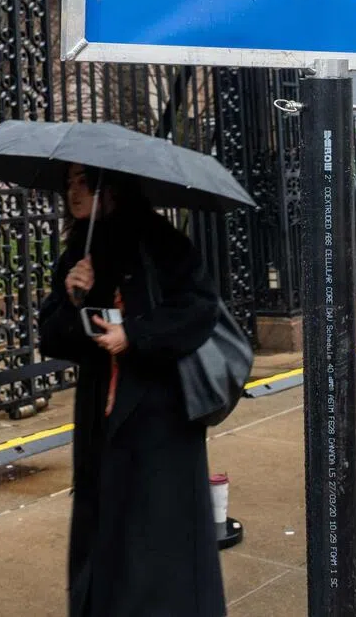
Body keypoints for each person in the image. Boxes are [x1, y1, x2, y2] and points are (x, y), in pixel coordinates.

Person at [38, 165, 225, 617]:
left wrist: (136, 336)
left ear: (112, 187)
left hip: (158, 413)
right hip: (102, 413)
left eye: (83, 182)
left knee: (155, 536)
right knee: (105, 526)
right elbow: (53, 337)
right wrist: (71, 297)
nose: (73, 191)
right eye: (69, 183)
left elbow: (198, 312)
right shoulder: (79, 251)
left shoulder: (163, 243)